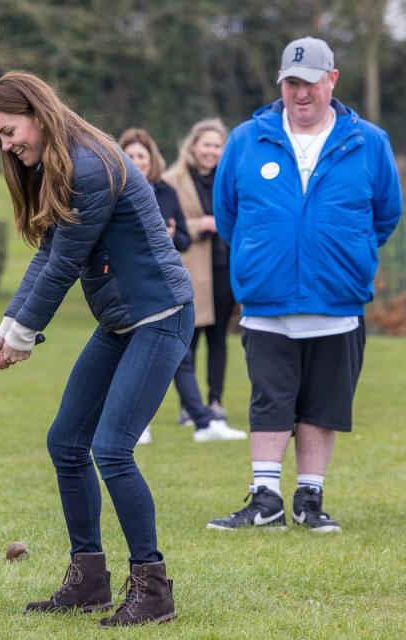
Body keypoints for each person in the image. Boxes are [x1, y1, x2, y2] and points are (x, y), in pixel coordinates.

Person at [0, 72, 193, 626]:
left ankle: (153, 589)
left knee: (113, 449)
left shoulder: (90, 168)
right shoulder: (62, 163)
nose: (7, 146)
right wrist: (9, 327)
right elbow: (47, 255)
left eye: (9, 132)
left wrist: (25, 337)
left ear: (36, 111)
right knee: (66, 441)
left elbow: (65, 267)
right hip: (119, 320)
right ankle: (89, 579)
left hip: (159, 317)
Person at [207, 37, 401, 532]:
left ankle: (309, 498)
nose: (300, 93)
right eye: (291, 82)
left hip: (336, 303)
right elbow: (228, 215)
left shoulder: (369, 142)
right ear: (281, 83)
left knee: (323, 403)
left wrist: (346, 253)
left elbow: (385, 214)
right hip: (267, 300)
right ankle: (266, 498)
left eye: (310, 82)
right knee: (268, 399)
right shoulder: (246, 139)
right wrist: (263, 252)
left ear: (331, 80)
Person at [163, 119, 246, 441]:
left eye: (217, 145)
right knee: (189, 338)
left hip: (224, 267)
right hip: (191, 269)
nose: (211, 151)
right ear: (193, 146)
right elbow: (169, 223)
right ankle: (189, 405)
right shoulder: (173, 179)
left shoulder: (231, 179)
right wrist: (201, 225)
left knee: (218, 338)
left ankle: (215, 401)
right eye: (206, 144)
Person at [118, 128, 189, 445]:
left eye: (140, 157)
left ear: (151, 160)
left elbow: (184, 237)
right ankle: (133, 422)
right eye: (129, 156)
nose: (135, 162)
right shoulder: (112, 192)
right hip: (123, 292)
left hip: (162, 292)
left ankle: (198, 415)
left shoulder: (166, 192)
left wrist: (169, 239)